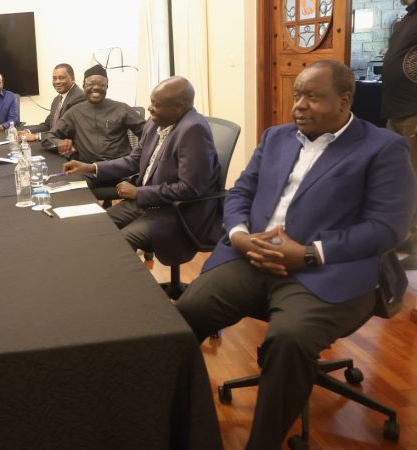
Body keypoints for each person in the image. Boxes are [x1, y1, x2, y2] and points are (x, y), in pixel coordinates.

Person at [175, 60, 417, 450]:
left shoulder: (383, 148)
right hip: (253, 256)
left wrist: (307, 253)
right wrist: (239, 236)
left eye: (313, 97)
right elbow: (240, 192)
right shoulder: (276, 137)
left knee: (289, 339)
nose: (299, 105)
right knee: (186, 312)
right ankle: (180, 423)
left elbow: (387, 227)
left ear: (344, 101)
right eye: (298, 95)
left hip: (329, 270)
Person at [62, 76, 221, 264]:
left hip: (176, 211)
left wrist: (139, 192)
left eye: (156, 105)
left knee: (120, 242)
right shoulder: (155, 122)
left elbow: (190, 189)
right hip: (146, 202)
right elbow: (133, 160)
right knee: (97, 226)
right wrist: (90, 167)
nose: (149, 108)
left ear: (178, 107)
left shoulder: (193, 129)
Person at [43, 64, 145, 163]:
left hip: (120, 168)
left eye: (101, 84)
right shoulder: (74, 112)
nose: (96, 87)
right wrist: (60, 143)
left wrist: (138, 156)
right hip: (87, 169)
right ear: (84, 86)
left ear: (107, 86)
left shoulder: (121, 109)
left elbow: (148, 132)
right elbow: (48, 138)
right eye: (90, 84)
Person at [381, 0, 417, 264]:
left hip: (414, 112)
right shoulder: (409, 17)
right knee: (397, 179)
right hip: (396, 112)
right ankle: (403, 234)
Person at [18, 63, 86, 142]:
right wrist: (28, 131)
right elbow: (49, 124)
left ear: (72, 78)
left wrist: (37, 136)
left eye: (61, 78)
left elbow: (67, 130)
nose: (57, 82)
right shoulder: (57, 99)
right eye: (54, 78)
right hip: (54, 142)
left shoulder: (78, 97)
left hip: (68, 145)